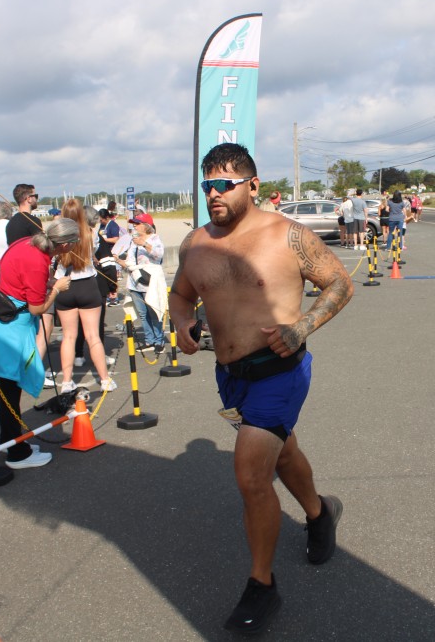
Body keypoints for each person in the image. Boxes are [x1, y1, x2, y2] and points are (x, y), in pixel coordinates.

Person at [170, 143, 353, 634]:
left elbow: (339, 284)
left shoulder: (288, 236)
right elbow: (180, 295)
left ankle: (262, 586)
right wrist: (182, 324)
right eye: (207, 185)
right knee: (282, 451)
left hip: (281, 370)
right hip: (230, 377)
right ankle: (319, 513)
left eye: (223, 184)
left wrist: (303, 326)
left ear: (252, 185)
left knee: (252, 475)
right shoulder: (194, 244)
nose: (213, 194)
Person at [0, 219, 76, 469]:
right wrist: (57, 288)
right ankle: (16, 452)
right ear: (64, 245)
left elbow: (16, 277)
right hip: (9, 327)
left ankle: (10, 440)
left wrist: (47, 284)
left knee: (9, 386)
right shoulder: (37, 260)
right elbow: (37, 308)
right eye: (74, 243)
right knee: (9, 386)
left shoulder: (25, 244)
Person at [53, 199, 116, 393]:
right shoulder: (90, 234)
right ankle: (104, 379)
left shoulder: (58, 235)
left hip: (65, 285)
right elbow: (94, 251)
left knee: (69, 336)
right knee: (93, 336)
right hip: (86, 284)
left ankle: (66, 381)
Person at [117, 213, 167, 354]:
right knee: (143, 314)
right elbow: (130, 261)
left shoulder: (154, 239)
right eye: (134, 224)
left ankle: (159, 341)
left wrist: (144, 244)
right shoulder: (133, 241)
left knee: (154, 312)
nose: (134, 226)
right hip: (135, 281)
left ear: (146, 226)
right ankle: (149, 340)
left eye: (137, 224)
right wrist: (119, 261)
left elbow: (159, 255)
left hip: (150, 281)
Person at [96, 208, 121, 306]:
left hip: (112, 252)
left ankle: (114, 297)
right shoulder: (102, 226)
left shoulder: (113, 225)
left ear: (106, 217)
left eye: (101, 219)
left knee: (113, 274)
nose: (100, 221)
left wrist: (102, 240)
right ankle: (107, 295)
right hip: (103, 253)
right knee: (104, 275)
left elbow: (116, 239)